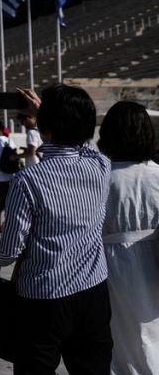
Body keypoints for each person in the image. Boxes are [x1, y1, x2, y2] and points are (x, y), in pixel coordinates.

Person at [0, 86, 113, 373]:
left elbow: (9, 253)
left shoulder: (27, 180)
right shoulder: (101, 166)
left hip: (42, 296)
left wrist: (43, 118)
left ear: (44, 126)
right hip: (93, 290)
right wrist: (46, 116)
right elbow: (86, 145)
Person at [97, 101, 159, 373]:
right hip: (152, 264)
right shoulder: (156, 175)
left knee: (116, 339)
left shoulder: (99, 177)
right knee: (150, 338)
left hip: (106, 266)